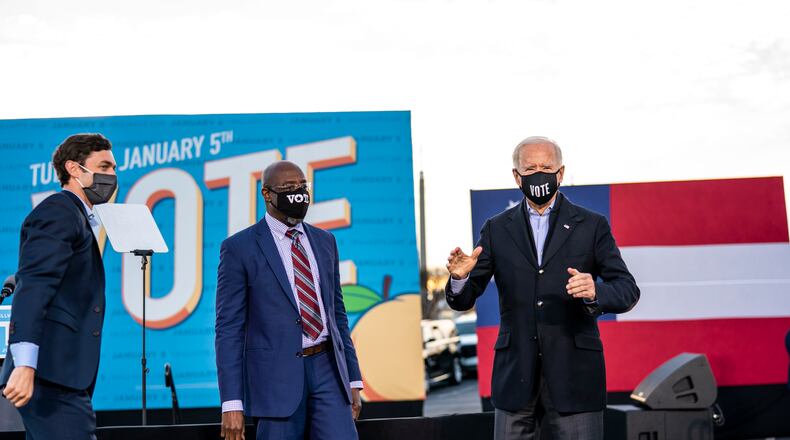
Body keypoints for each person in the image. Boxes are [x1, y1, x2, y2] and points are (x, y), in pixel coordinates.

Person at [445, 137, 639, 440]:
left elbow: (627, 290)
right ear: (516, 176)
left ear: (560, 173)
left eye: (546, 167)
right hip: (515, 380)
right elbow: (464, 298)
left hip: (575, 377)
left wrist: (595, 291)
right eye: (531, 168)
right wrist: (459, 279)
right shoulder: (496, 229)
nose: (539, 174)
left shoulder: (591, 225)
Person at [215, 161, 363, 440]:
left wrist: (353, 378)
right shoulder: (238, 248)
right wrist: (232, 402)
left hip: (328, 368)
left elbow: (337, 314)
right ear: (266, 194)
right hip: (274, 380)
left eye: (302, 187)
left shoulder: (325, 241)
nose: (298, 194)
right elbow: (228, 329)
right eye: (288, 188)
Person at [1, 134, 118, 440]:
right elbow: (34, 286)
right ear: (74, 169)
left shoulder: (75, 215)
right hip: (50, 378)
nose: (112, 176)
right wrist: (25, 366)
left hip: (59, 379)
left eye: (114, 168)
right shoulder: (59, 212)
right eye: (104, 165)